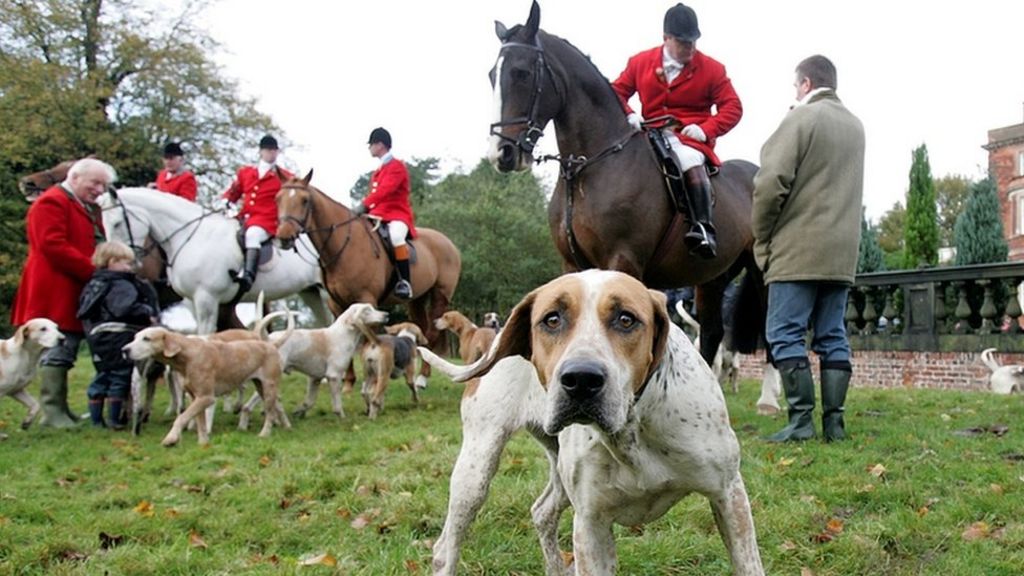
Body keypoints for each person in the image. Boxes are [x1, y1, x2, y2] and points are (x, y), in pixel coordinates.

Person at [752, 55, 865, 442]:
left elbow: (770, 184)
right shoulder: (855, 126)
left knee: (784, 332)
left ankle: (801, 422)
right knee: (832, 334)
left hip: (797, 250)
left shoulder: (800, 118)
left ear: (804, 84)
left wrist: (762, 238)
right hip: (841, 251)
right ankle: (834, 424)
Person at [611, 2, 743, 260]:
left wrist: (706, 130)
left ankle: (703, 227)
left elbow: (733, 106)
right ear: (666, 39)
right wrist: (628, 113)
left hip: (689, 139)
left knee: (688, 160)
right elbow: (615, 92)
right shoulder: (640, 62)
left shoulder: (712, 69)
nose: (690, 48)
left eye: (693, 41)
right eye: (683, 42)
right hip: (649, 136)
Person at [11, 158, 114, 428]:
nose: (100, 190)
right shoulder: (51, 202)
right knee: (55, 348)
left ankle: (62, 409)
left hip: (72, 286)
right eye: (95, 183)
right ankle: (51, 411)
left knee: (66, 347)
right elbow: (52, 245)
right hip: (52, 286)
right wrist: (93, 269)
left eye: (103, 185)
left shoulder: (84, 206)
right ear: (76, 176)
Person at [77, 241, 160, 429]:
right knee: (120, 377)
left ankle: (96, 419)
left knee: (101, 376)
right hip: (118, 337)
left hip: (97, 338)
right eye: (126, 263)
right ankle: (116, 418)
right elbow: (124, 308)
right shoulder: (121, 284)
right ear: (113, 261)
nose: (129, 268)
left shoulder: (95, 283)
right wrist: (146, 311)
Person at [221, 134, 293, 294]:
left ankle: (248, 276)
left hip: (268, 220)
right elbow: (235, 191)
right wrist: (226, 201)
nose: (271, 153)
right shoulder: (246, 172)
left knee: (253, 235)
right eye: (268, 150)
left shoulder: (285, 176)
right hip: (245, 218)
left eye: (274, 150)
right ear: (261, 152)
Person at [353, 127, 417, 300]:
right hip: (378, 214)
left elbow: (384, 191)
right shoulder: (378, 170)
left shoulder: (396, 166)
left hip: (397, 215)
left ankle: (405, 281)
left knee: (396, 238)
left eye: (371, 144)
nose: (369, 148)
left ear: (380, 145)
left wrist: (363, 205)